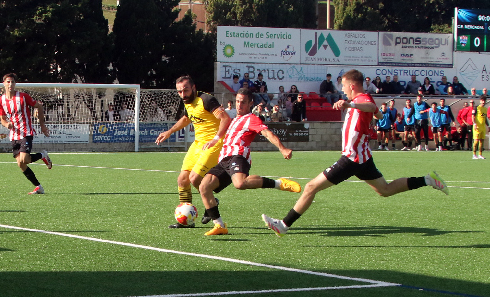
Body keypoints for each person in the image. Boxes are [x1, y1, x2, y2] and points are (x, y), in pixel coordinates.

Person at [262, 69, 448, 236]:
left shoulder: (361, 99)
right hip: (363, 157)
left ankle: (284, 225)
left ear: (352, 86)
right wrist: (373, 113)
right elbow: (377, 113)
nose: (342, 90)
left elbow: (368, 106)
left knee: (311, 187)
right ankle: (429, 179)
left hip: (352, 158)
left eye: (343, 86)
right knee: (385, 190)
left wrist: (351, 106)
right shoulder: (359, 101)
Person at [199, 88, 300, 235]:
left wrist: (282, 148)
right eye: (238, 101)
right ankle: (219, 225)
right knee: (204, 187)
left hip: (238, 156)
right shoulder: (235, 119)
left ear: (250, 103)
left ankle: (279, 184)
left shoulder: (251, 118)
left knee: (240, 183)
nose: (239, 105)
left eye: (243, 102)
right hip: (224, 160)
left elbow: (267, 133)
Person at [156, 75, 231, 228]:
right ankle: (185, 219)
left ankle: (210, 202)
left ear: (194, 88)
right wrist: (169, 131)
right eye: (179, 92)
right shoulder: (187, 102)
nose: (183, 94)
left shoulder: (207, 100)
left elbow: (225, 119)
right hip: (197, 144)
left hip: (213, 144)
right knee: (182, 180)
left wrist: (216, 138)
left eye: (186, 90)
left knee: (195, 178)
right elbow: (186, 118)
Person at [0, 73, 52, 194]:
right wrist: (6, 125)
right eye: (8, 82)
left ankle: (43, 155)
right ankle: (39, 187)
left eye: (13, 82)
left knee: (25, 159)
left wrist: (42, 125)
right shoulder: (0, 101)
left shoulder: (22, 97)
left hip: (26, 131)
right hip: (13, 134)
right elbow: (2, 118)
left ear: (15, 84)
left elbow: (39, 106)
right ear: (4, 83)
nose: (10, 84)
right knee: (21, 164)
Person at [474, 95, 487, 160]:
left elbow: (485, 118)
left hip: (483, 127)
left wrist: (488, 125)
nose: (483, 102)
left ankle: (480, 155)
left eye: (484, 100)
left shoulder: (485, 109)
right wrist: (474, 124)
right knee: (476, 141)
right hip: (477, 127)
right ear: (480, 101)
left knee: (482, 141)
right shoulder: (476, 108)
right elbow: (473, 116)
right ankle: (474, 155)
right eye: (482, 100)